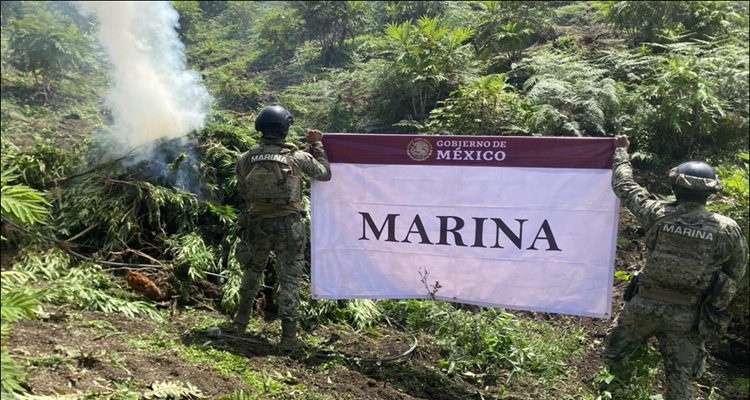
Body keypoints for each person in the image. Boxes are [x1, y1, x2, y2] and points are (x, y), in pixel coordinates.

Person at [600, 134, 747, 399]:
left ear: (676, 187)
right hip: (688, 316)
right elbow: (736, 272)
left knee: (614, 356)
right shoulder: (727, 229)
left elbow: (624, 185)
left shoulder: (657, 213)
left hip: (643, 306)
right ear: (710, 192)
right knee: (680, 380)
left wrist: (621, 151)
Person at [232, 105, 332, 350]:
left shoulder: (245, 158)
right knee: (289, 279)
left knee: (251, 272)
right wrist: (317, 144)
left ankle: (240, 322)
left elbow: (243, 192)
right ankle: (288, 337)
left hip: (256, 223)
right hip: (288, 226)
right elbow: (324, 174)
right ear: (285, 128)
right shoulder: (297, 157)